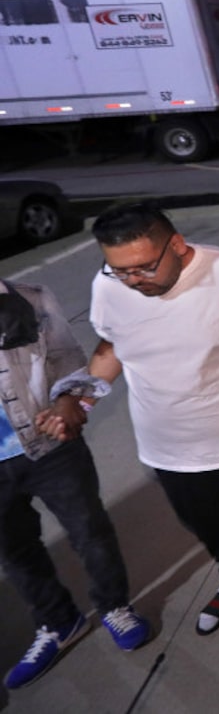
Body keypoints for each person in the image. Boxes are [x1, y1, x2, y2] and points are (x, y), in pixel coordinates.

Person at [80, 203, 219, 636]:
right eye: (120, 270)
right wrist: (82, 399)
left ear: (177, 246)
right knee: (203, 519)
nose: (132, 280)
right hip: (164, 444)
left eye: (143, 267)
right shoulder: (108, 287)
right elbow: (110, 346)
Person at [1, 280, 151, 690]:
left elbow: (67, 356)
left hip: (50, 444)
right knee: (14, 553)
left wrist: (68, 400)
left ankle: (115, 606)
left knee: (90, 532)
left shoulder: (31, 298)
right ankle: (57, 622)